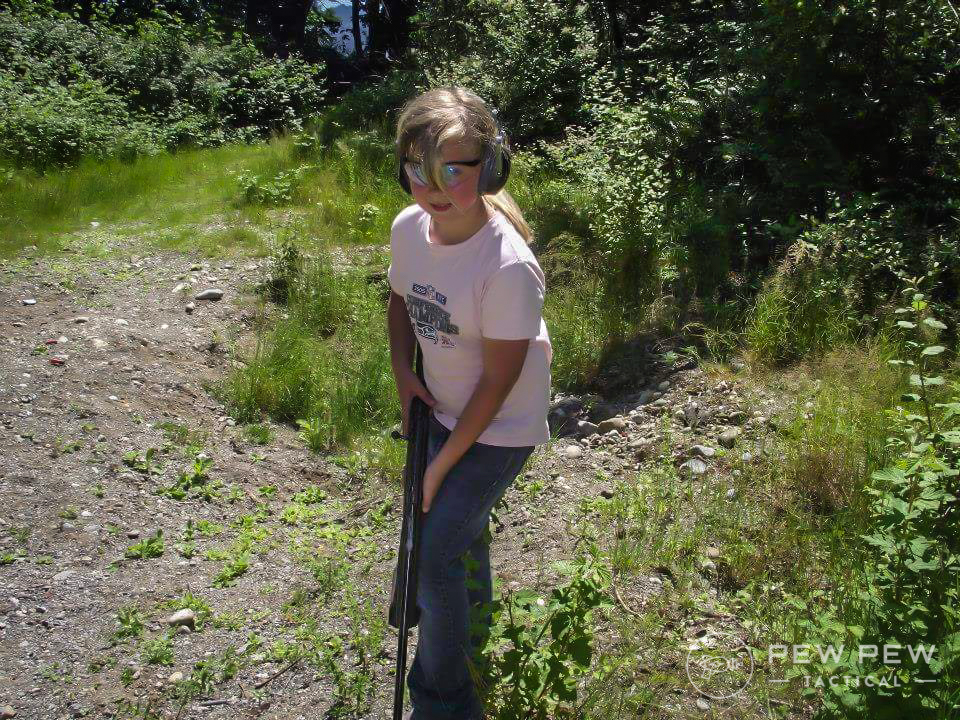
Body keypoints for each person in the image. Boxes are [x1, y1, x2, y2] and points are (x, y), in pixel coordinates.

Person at [386, 86, 553, 720]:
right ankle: (469, 618)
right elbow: (401, 302)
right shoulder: (410, 229)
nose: (434, 186)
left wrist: (440, 462)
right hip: (442, 408)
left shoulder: (507, 266)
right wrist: (405, 373)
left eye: (454, 168)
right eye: (419, 168)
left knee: (432, 548)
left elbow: (498, 383)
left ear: (493, 166)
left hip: (499, 425)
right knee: (452, 531)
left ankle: (445, 702)